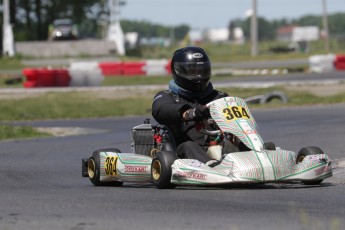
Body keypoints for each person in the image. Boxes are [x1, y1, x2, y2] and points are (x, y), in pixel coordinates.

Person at [151, 46, 228, 166]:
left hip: (219, 148)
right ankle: (212, 167)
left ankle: (262, 157)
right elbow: (160, 110)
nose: (198, 75)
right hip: (183, 153)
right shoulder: (167, 96)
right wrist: (189, 113)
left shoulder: (219, 96)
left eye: (201, 70)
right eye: (193, 71)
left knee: (237, 141)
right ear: (178, 70)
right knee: (189, 146)